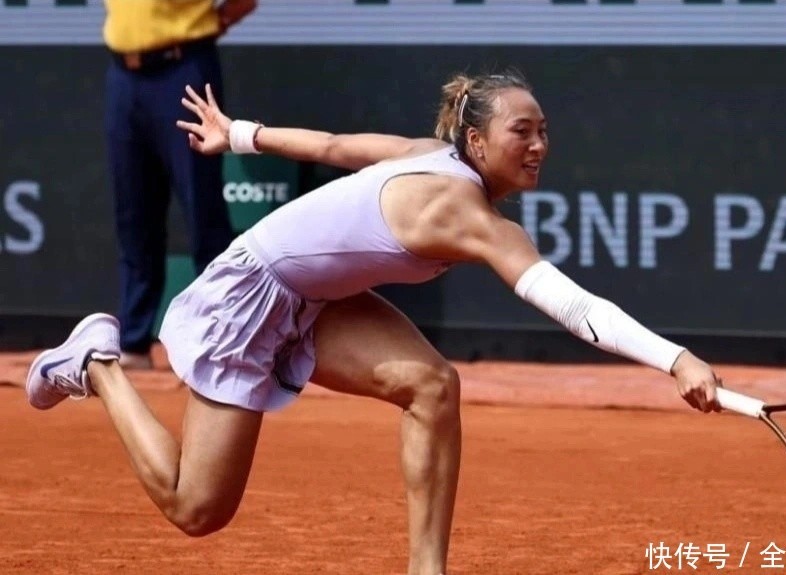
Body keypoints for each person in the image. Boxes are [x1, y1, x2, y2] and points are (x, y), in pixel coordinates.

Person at [27, 70, 722, 575]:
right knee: (197, 509)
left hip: (318, 300)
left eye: (543, 131)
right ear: (476, 140)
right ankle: (98, 362)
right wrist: (677, 359)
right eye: (522, 131)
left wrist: (239, 133)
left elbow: (332, 146)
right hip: (250, 296)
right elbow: (577, 307)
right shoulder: (469, 215)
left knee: (432, 386)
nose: (539, 144)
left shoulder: (429, 152)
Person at [103, 0, 257, 370]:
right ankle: (134, 342)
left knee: (203, 210)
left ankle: (225, 338)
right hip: (123, 75)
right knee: (134, 214)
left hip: (182, 68)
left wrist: (214, 22)